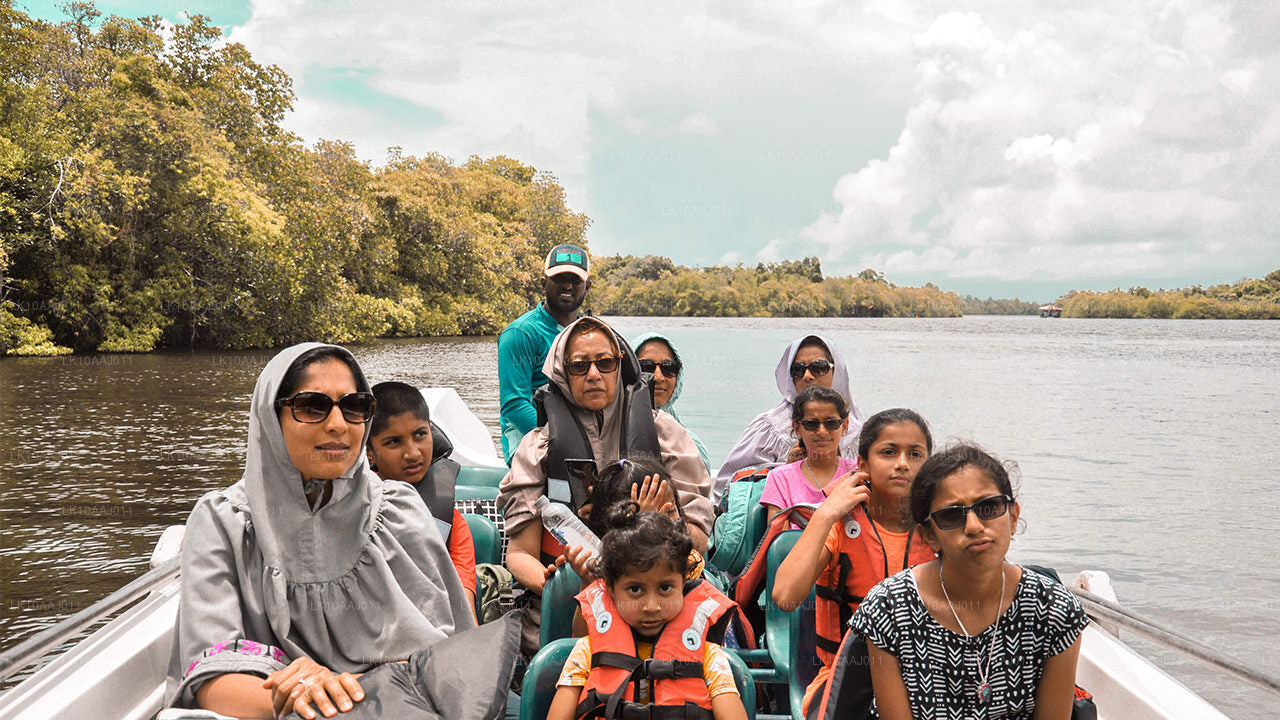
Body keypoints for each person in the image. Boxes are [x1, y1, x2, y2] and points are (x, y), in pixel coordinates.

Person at [166, 343, 475, 720]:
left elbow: (448, 657)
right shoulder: (223, 522)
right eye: (312, 406)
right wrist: (301, 694)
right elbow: (211, 677)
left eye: (354, 406)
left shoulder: (399, 509)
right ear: (271, 416)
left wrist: (351, 689)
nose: (337, 424)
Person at [499, 317, 715, 650]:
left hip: (658, 599)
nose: (594, 374)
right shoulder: (536, 448)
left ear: (620, 366)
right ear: (562, 372)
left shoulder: (667, 436)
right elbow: (520, 554)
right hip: (568, 599)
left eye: (605, 363)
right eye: (579, 366)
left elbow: (698, 539)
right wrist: (560, 580)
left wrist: (659, 526)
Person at [850, 444, 1087, 719]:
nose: (974, 526)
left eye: (988, 507)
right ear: (928, 535)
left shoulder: (1054, 609)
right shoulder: (889, 607)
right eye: (952, 515)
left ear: (1012, 516)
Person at [771, 408, 937, 715]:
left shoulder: (940, 528)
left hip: (927, 678)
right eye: (889, 452)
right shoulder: (839, 526)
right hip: (845, 678)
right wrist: (825, 513)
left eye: (915, 454)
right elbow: (784, 596)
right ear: (863, 464)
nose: (902, 464)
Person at [546, 505, 749, 720]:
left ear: (683, 584)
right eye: (635, 589)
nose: (651, 606)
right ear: (611, 590)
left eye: (665, 588)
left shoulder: (709, 657)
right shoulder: (587, 652)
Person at [365, 380, 477, 618]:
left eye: (420, 435)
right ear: (369, 453)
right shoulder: (356, 509)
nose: (413, 453)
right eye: (394, 442)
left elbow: (464, 610)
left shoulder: (452, 524)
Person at [714, 334, 865, 503]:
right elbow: (726, 488)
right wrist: (786, 471)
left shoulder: (862, 433)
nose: (807, 376)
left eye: (819, 367)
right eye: (798, 370)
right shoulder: (769, 428)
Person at [498, 243, 591, 463]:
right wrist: (566, 439)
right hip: (530, 440)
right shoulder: (520, 334)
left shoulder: (590, 333)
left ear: (587, 287)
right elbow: (515, 405)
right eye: (559, 278)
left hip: (579, 435)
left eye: (575, 280)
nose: (567, 285)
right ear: (543, 284)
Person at [758, 385, 858, 522]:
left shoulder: (858, 474)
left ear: (845, 425)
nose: (822, 432)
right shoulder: (780, 477)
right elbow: (778, 535)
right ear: (797, 428)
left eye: (831, 423)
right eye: (811, 424)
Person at [632, 332, 712, 473]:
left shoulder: (691, 444)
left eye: (668, 368)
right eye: (646, 367)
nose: (658, 377)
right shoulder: (614, 434)